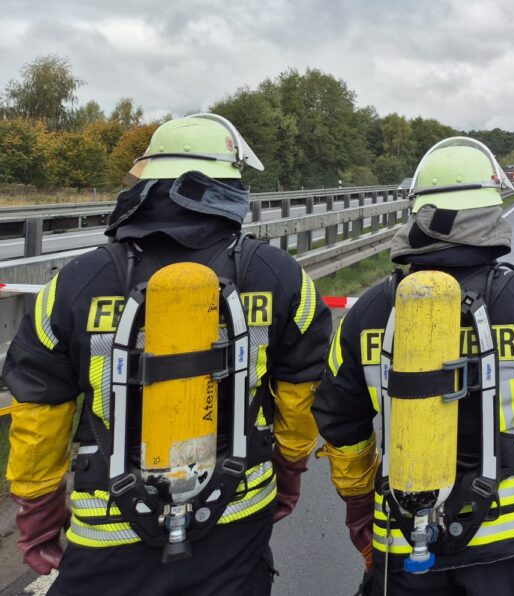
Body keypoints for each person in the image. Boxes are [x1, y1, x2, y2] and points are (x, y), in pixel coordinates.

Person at [2, 113, 331, 595]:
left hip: (107, 532)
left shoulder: (74, 284)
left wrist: (35, 511)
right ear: (229, 188)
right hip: (236, 519)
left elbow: (40, 413)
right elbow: (300, 395)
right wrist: (291, 468)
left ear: (145, 185)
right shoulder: (280, 277)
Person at [314, 137, 514, 595]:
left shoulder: (366, 316)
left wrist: (358, 505)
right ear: (490, 214)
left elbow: (338, 422)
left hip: (403, 546)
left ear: (418, 215)